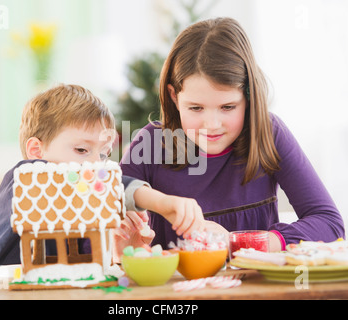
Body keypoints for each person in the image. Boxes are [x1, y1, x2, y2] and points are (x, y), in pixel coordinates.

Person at [120, 17, 345, 252]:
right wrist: (137, 221)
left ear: (248, 97)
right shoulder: (153, 143)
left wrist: (240, 243)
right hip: (177, 289)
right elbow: (105, 195)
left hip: (255, 287)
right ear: (174, 97)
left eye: (228, 107)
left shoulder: (268, 134)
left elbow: (329, 224)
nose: (212, 124)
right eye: (196, 108)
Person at [0, 84, 204, 266]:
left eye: (102, 155)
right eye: (81, 150)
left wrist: (124, 248)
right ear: (36, 151)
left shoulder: (75, 207)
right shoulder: (24, 177)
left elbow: (85, 264)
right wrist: (164, 203)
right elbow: (109, 183)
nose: (95, 165)